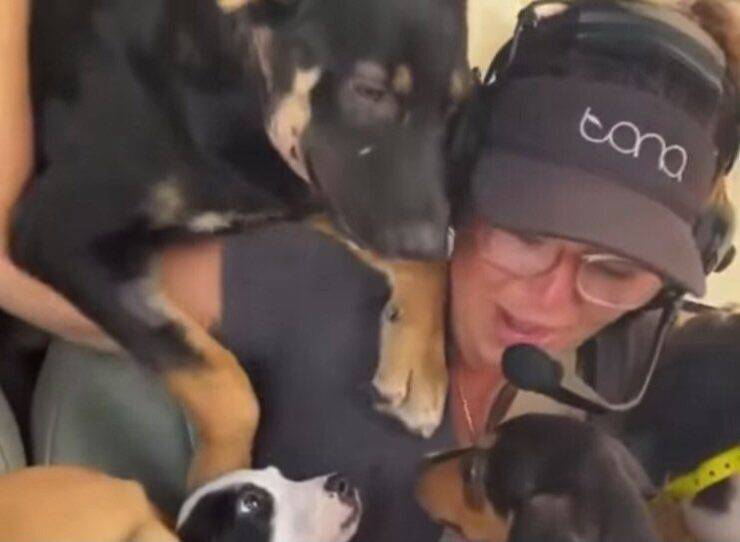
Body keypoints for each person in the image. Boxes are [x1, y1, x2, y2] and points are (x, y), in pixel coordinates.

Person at [1, 0, 738, 541]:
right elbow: (36, 256)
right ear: (460, 174)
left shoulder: (624, 396)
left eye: (614, 271)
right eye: (523, 235)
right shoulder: (318, 285)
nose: (548, 300)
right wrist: (223, 406)